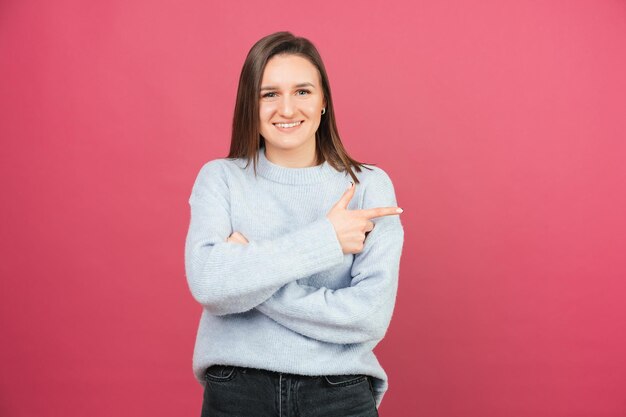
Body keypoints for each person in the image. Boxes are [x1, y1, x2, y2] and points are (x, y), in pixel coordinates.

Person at [184, 31, 405, 417]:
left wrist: (247, 274)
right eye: (269, 94)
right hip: (237, 392)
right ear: (250, 105)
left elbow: (368, 318)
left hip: (338, 394)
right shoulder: (220, 178)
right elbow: (209, 284)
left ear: (323, 103)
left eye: (302, 91)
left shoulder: (368, 185)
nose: (287, 109)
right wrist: (327, 239)